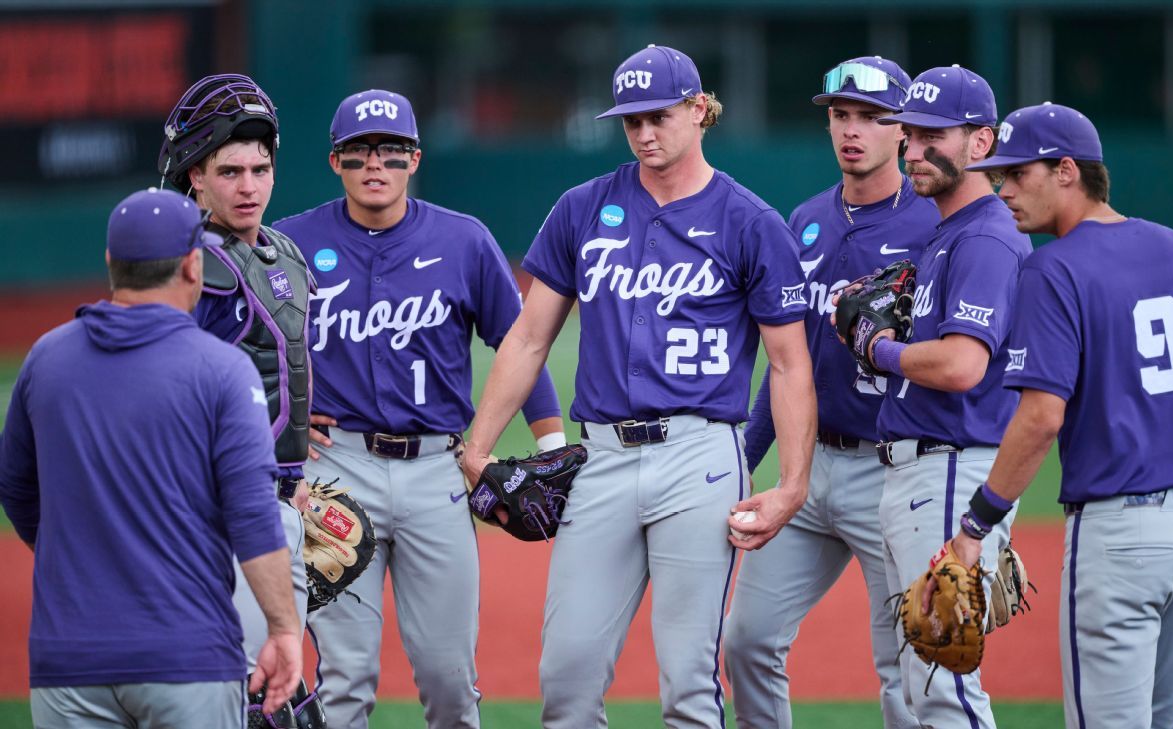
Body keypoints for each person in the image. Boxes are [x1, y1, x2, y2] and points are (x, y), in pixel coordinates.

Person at [459, 45, 817, 727]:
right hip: (602, 458)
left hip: (700, 452)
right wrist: (478, 446)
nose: (645, 133)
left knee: (687, 683)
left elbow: (790, 362)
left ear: (698, 109)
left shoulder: (750, 221)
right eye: (632, 121)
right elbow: (529, 338)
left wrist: (793, 482)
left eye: (659, 116)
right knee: (565, 678)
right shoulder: (584, 208)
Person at [940, 102, 1173, 729]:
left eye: (1016, 173)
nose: (1001, 188)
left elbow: (1040, 418)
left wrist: (975, 526)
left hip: (1121, 542)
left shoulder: (1053, 268)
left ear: (1067, 170)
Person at [273, 89, 566, 728]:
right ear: (334, 162)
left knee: (449, 678)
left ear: (415, 159)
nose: (374, 164)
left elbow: (521, 344)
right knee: (347, 677)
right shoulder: (290, 245)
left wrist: (551, 447)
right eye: (358, 153)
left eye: (391, 152)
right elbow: (239, 345)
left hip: (439, 470)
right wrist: (284, 417)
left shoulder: (464, 241)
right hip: (336, 475)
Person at [0, 188, 302, 728]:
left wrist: (80, 560)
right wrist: (282, 629)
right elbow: (253, 515)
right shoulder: (222, 370)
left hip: (67, 663)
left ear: (112, 263)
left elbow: (17, 489)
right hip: (188, 658)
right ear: (193, 265)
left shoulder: (45, 360)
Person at [723, 56, 938, 729]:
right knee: (748, 639)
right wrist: (745, 460)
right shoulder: (805, 220)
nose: (852, 130)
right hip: (808, 472)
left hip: (894, 470)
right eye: (841, 115)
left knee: (907, 666)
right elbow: (790, 367)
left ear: (903, 130)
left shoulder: (933, 227)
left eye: (872, 117)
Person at [838, 65, 1033, 728]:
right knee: (917, 682)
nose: (914, 149)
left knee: (943, 686)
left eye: (933, 136)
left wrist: (877, 348)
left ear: (981, 142)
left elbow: (960, 365)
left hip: (950, 462)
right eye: (910, 133)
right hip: (920, 467)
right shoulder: (948, 232)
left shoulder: (982, 235)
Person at [158, 73, 316, 723]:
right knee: (257, 701)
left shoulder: (283, 252)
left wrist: (297, 473)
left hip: (278, 499)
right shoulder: (191, 264)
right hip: (217, 510)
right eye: (230, 171)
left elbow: (283, 363)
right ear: (195, 177)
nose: (249, 185)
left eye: (260, 168)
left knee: (276, 693)